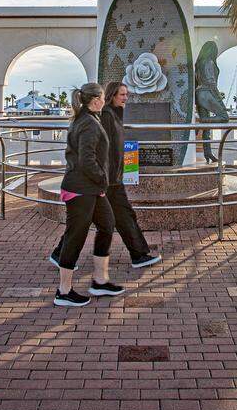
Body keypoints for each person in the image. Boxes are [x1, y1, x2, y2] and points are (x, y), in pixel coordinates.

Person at [51, 82, 161, 269]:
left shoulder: (112, 115)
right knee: (118, 217)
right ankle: (137, 255)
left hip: (109, 178)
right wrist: (104, 177)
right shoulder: (105, 117)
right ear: (108, 97)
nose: (126, 98)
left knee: (90, 221)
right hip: (107, 180)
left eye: (127, 94)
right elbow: (99, 152)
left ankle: (61, 254)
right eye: (122, 95)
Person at [52, 82, 125, 308]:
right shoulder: (89, 124)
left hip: (90, 188)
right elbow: (86, 160)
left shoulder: (86, 119)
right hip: (81, 189)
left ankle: (100, 281)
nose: (105, 101)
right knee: (75, 236)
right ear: (96, 100)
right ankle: (64, 292)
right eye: (103, 97)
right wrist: (103, 180)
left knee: (107, 224)